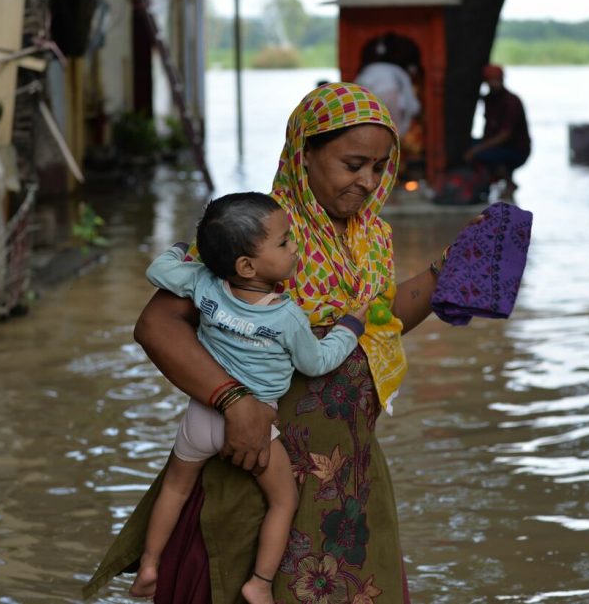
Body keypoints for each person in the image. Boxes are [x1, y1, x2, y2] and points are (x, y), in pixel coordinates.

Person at [83, 83, 470, 603]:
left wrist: (446, 272)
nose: (368, 181)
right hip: (259, 455)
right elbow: (157, 325)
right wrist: (233, 401)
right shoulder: (259, 235)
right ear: (304, 153)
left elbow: (376, 321)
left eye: (380, 168)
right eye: (353, 164)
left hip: (347, 471)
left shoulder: (370, 236)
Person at [130, 192, 369, 604]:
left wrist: (181, 249)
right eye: (284, 242)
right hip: (253, 422)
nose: (295, 247)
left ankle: (150, 565)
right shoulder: (287, 317)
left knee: (176, 488)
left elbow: (158, 271)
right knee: (284, 500)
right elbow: (316, 363)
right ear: (246, 266)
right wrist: (348, 329)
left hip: (201, 414)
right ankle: (259, 582)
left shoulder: (202, 282)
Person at [462, 64, 531, 199]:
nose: (493, 83)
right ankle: (488, 182)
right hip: (496, 145)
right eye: (491, 80)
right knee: (468, 145)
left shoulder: (511, 102)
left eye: (496, 79)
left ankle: (508, 183)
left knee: (482, 153)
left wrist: (476, 150)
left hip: (516, 149)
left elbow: (504, 135)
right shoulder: (489, 100)